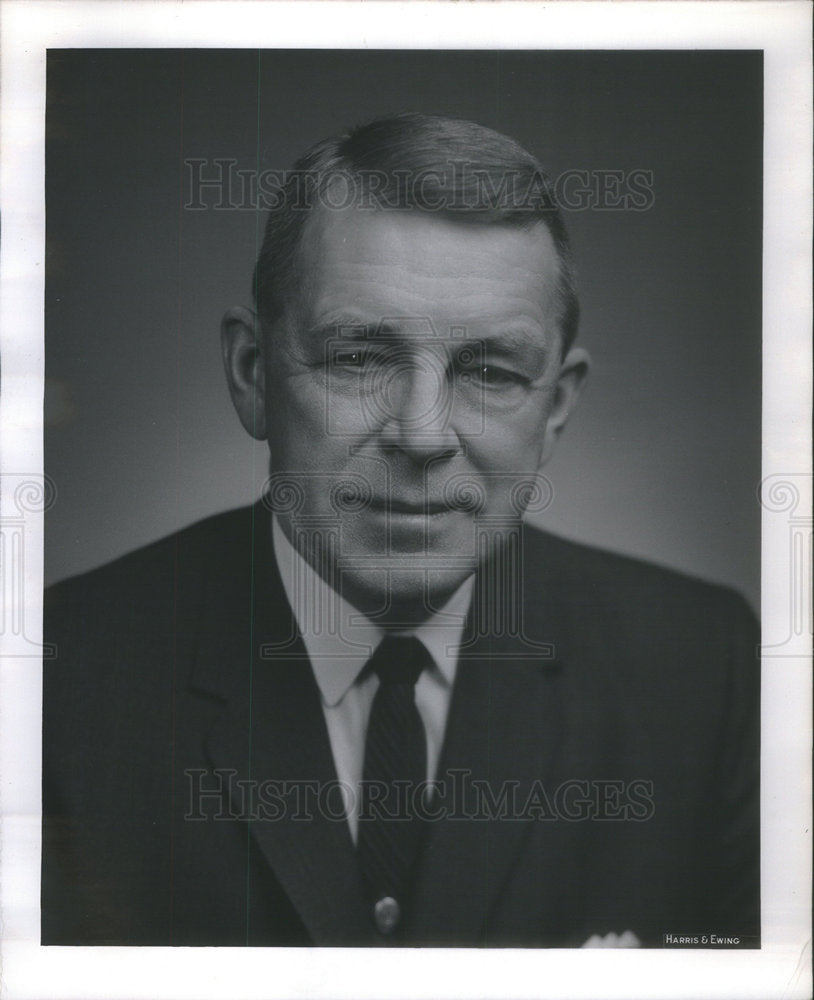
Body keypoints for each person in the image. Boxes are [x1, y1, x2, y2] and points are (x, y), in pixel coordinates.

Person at [42, 113, 759, 948]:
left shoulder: (702, 668)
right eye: (359, 359)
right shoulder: (54, 685)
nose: (422, 436)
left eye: (489, 371)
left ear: (556, 407)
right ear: (252, 374)